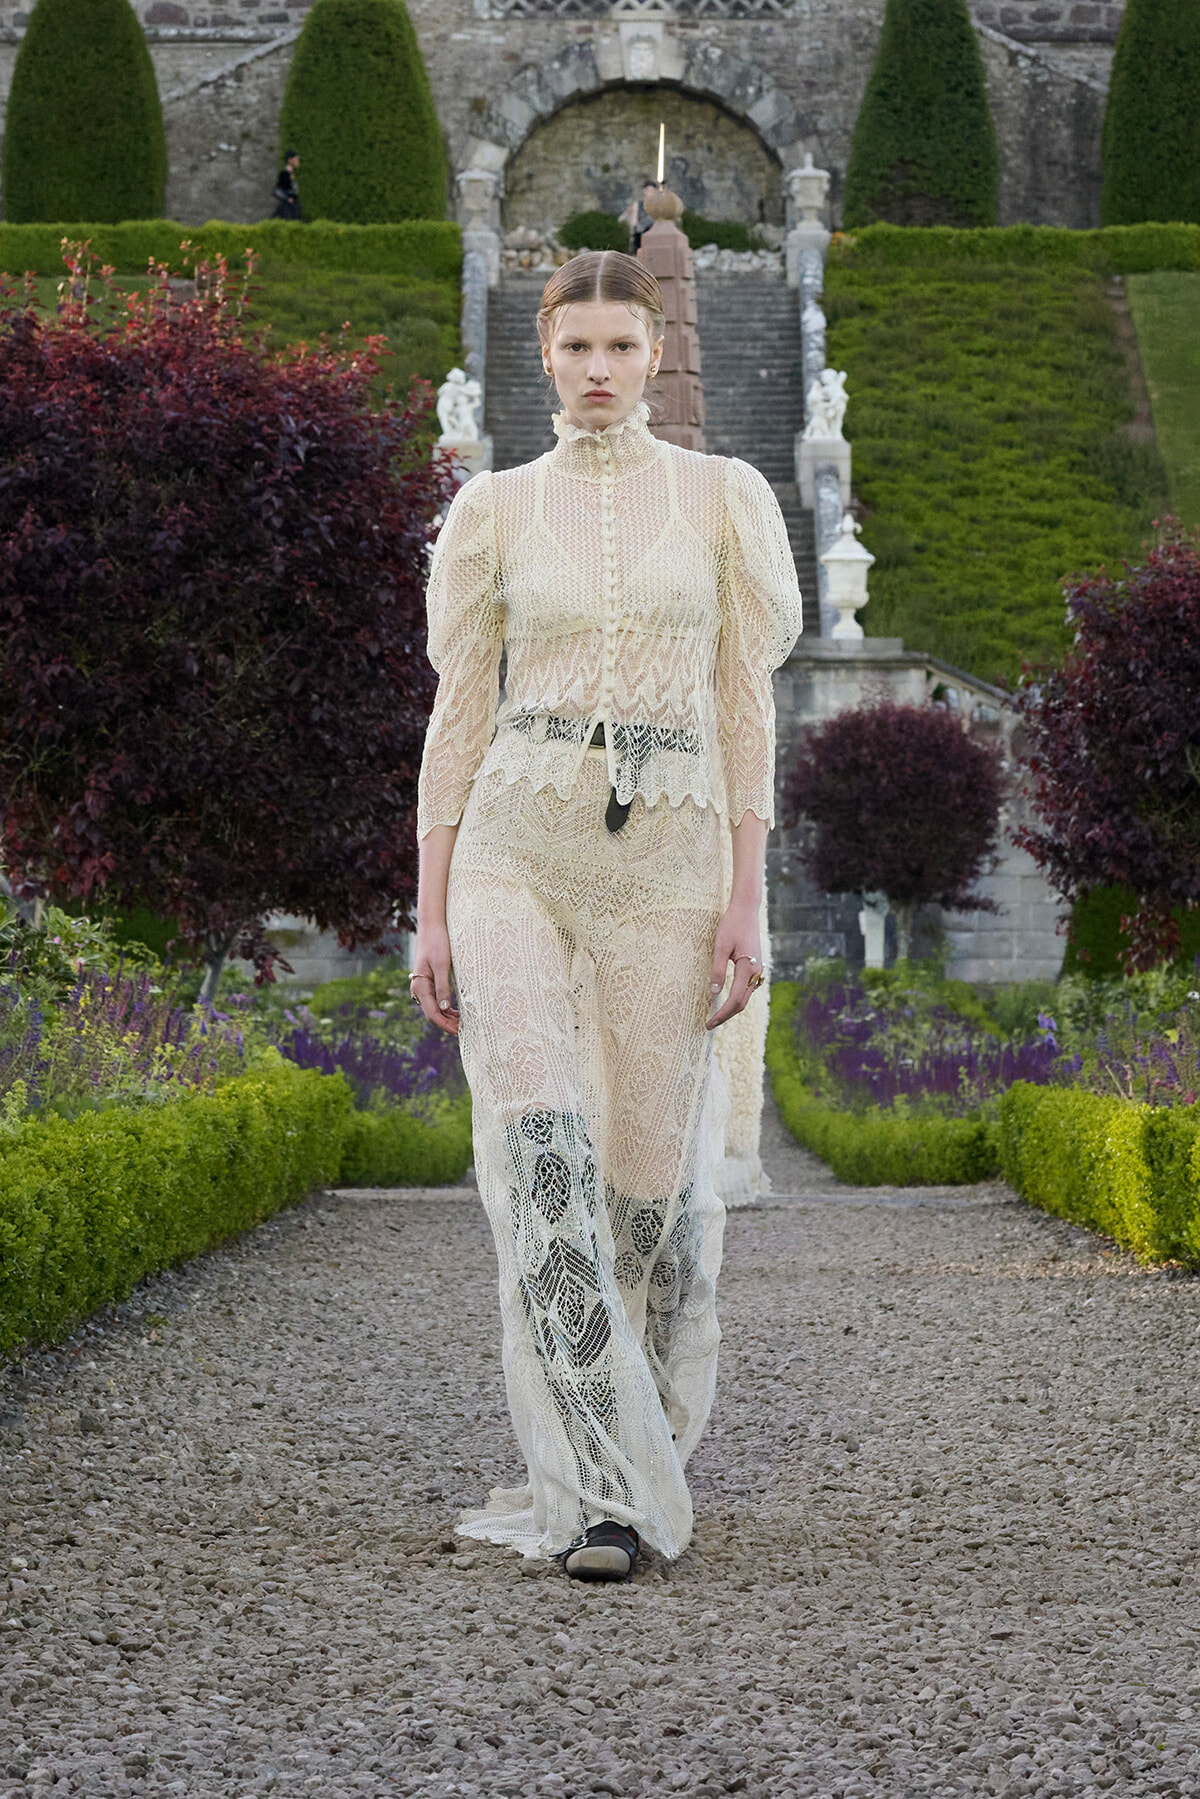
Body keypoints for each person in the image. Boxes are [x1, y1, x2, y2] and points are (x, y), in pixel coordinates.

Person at [410, 251, 802, 1582]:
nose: (596, 369)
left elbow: (745, 709)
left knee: (648, 1189)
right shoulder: (495, 510)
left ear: (653, 352)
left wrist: (747, 896)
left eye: (619, 346)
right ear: (543, 352)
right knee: (543, 1161)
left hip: (672, 859)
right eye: (574, 345)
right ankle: (596, 1495)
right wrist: (431, 909)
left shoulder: (724, 498)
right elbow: (458, 715)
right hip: (515, 850)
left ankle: (650, 1435)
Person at [619, 180, 658, 255]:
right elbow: (634, 222)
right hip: (640, 235)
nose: (650, 193)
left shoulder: (657, 206)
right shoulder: (638, 205)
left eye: (652, 191)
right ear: (645, 192)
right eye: (648, 191)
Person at [271, 152, 302, 221]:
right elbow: (276, 190)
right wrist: (287, 199)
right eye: (296, 159)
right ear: (290, 160)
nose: (298, 161)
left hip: (293, 205)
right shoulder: (284, 174)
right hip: (288, 207)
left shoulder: (292, 174)